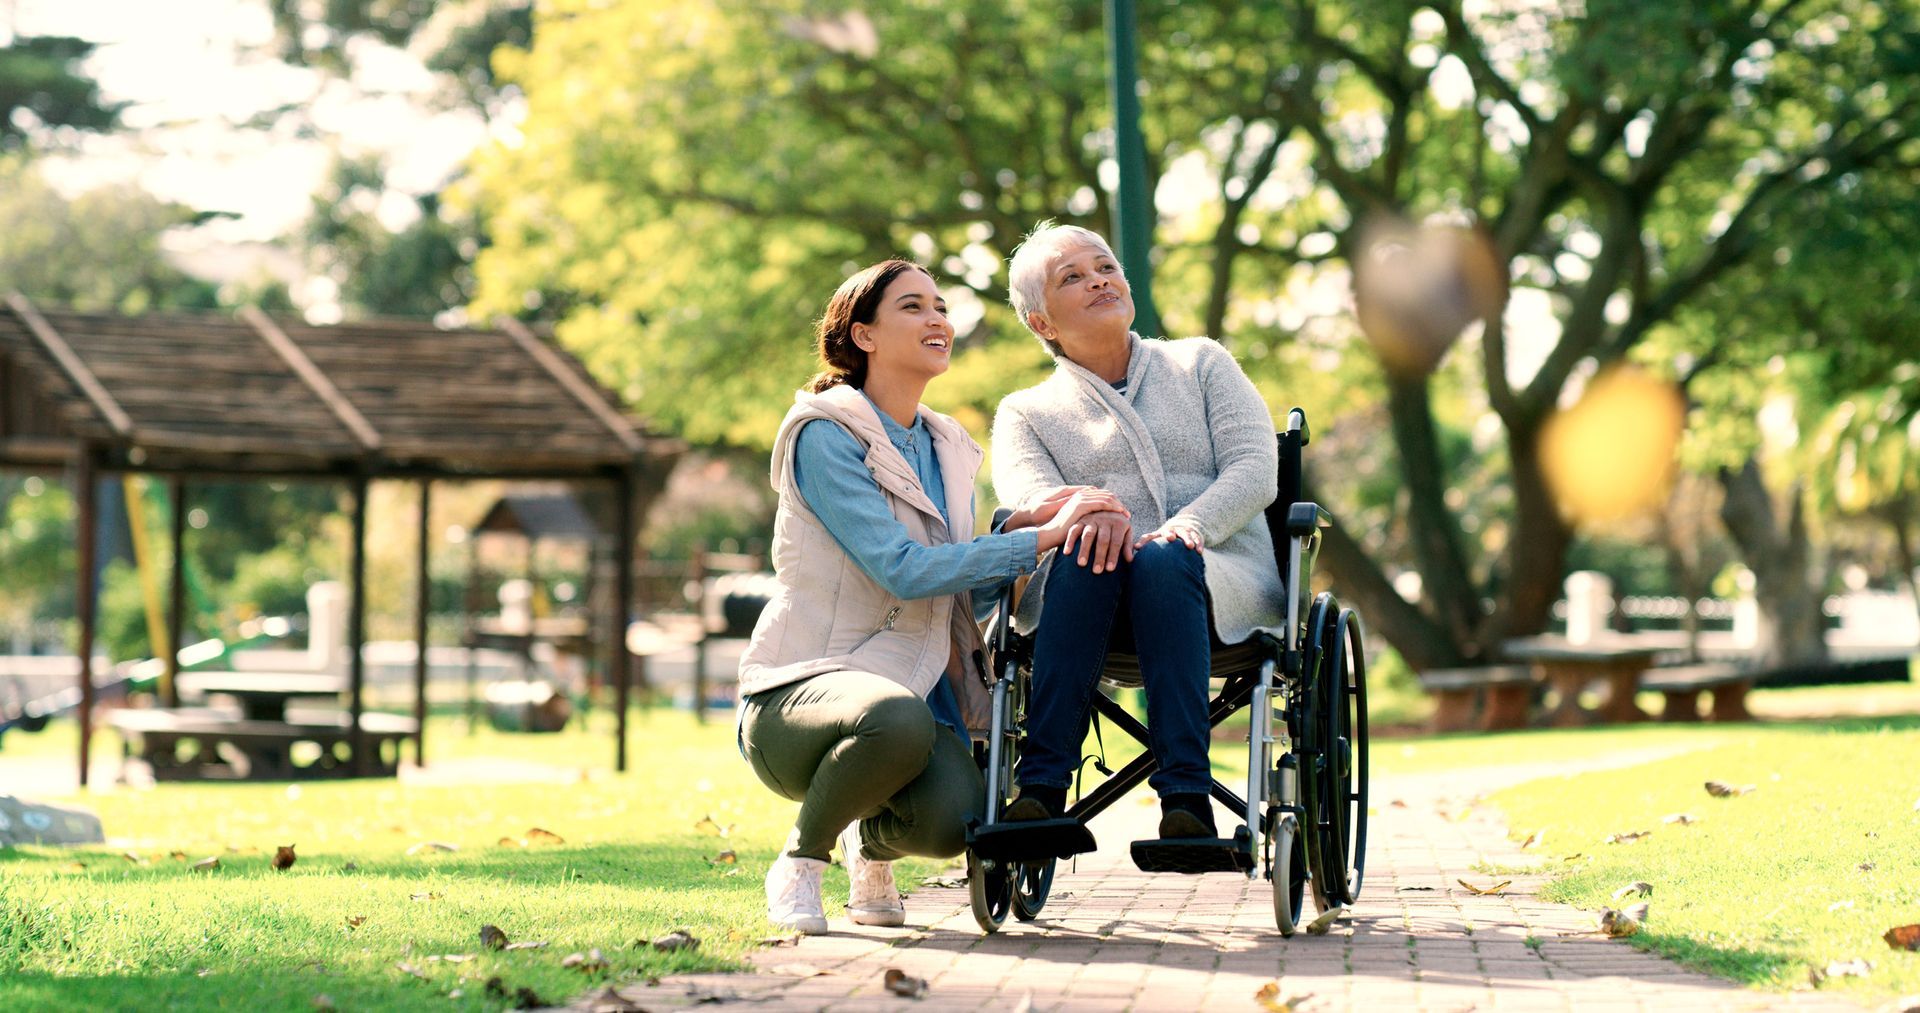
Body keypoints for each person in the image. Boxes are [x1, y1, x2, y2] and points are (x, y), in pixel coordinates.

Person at [738, 258, 1126, 934]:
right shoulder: (824, 435)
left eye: (941, 307)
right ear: (863, 335)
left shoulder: (947, 444)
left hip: (910, 691)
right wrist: (1035, 541)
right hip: (799, 692)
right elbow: (903, 570)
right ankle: (802, 859)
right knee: (896, 718)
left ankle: (870, 843)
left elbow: (953, 593)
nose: (938, 320)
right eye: (914, 307)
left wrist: (1022, 529)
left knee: (957, 823)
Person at [992, 222, 1281, 840]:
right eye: (1072, 277)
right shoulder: (1025, 412)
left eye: (1104, 268)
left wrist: (1188, 527)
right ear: (1042, 323)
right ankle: (1040, 790)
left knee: (1163, 558)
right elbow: (1030, 496)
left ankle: (1187, 799)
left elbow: (1256, 469)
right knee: (1085, 553)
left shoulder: (1201, 362)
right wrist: (1083, 511)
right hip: (1086, 602)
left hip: (1216, 579)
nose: (1099, 279)